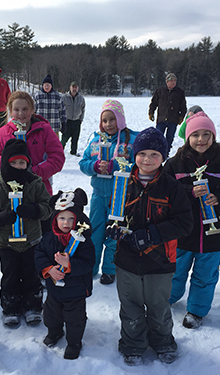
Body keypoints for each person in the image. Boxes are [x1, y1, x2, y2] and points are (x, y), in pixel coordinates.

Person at [106, 127, 193, 366]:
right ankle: (133, 343)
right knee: (131, 305)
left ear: (163, 157)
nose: (147, 159)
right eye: (142, 153)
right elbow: (113, 214)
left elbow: (184, 222)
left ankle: (163, 340)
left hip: (160, 260)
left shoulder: (171, 187)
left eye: (154, 154)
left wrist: (152, 234)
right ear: (134, 155)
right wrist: (112, 227)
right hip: (126, 259)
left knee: (158, 305)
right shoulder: (122, 183)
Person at [163, 112, 220, 330]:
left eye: (207, 134)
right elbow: (164, 190)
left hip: (213, 233)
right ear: (187, 137)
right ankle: (168, 297)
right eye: (196, 134)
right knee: (175, 270)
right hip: (182, 232)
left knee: (205, 275)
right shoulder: (175, 163)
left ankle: (196, 310)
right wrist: (188, 192)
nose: (201, 139)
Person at [0, 139, 52, 327]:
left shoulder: (35, 183)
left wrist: (35, 210)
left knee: (31, 275)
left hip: (32, 241)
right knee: (10, 275)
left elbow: (48, 207)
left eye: (22, 163)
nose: (18, 167)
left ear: (28, 164)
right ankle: (11, 307)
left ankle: (33, 306)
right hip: (7, 242)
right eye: (13, 163)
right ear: (6, 162)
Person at [79, 99, 138, 285]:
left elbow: (138, 165)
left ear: (120, 119)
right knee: (94, 232)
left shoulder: (131, 141)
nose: (108, 124)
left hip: (120, 196)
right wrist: (94, 166)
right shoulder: (96, 141)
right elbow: (83, 163)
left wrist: (116, 165)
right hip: (98, 195)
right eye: (104, 120)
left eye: (112, 119)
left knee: (114, 233)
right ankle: (91, 266)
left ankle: (110, 269)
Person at [34, 188, 95, 360]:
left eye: (71, 219)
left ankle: (74, 342)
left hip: (75, 291)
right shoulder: (49, 237)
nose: (66, 222)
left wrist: (69, 265)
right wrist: (48, 269)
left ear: (79, 220)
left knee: (75, 320)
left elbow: (88, 263)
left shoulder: (84, 241)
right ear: (55, 219)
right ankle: (54, 332)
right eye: (62, 218)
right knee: (51, 315)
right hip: (54, 289)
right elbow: (39, 254)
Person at [0, 91, 65, 196]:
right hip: (9, 191)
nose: (21, 114)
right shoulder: (3, 133)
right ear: (11, 111)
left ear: (32, 110)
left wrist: (34, 172)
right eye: (16, 110)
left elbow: (58, 158)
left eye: (25, 109)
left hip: (39, 191)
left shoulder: (44, 130)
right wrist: (7, 164)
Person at [148, 72, 187, 158]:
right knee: (158, 138)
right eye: (171, 81)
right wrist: (151, 112)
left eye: (175, 81)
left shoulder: (179, 92)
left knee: (169, 138)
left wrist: (181, 117)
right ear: (167, 82)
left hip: (173, 120)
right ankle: (157, 153)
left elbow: (183, 106)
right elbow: (154, 103)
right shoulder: (160, 91)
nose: (173, 82)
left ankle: (166, 154)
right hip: (161, 119)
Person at [61, 81, 85, 156]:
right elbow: (60, 109)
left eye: (75, 87)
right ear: (70, 88)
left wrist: (81, 119)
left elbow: (83, 109)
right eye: (73, 87)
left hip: (76, 121)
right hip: (67, 121)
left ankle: (73, 153)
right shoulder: (64, 97)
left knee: (75, 139)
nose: (74, 89)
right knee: (64, 139)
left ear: (77, 88)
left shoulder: (81, 98)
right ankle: (59, 152)